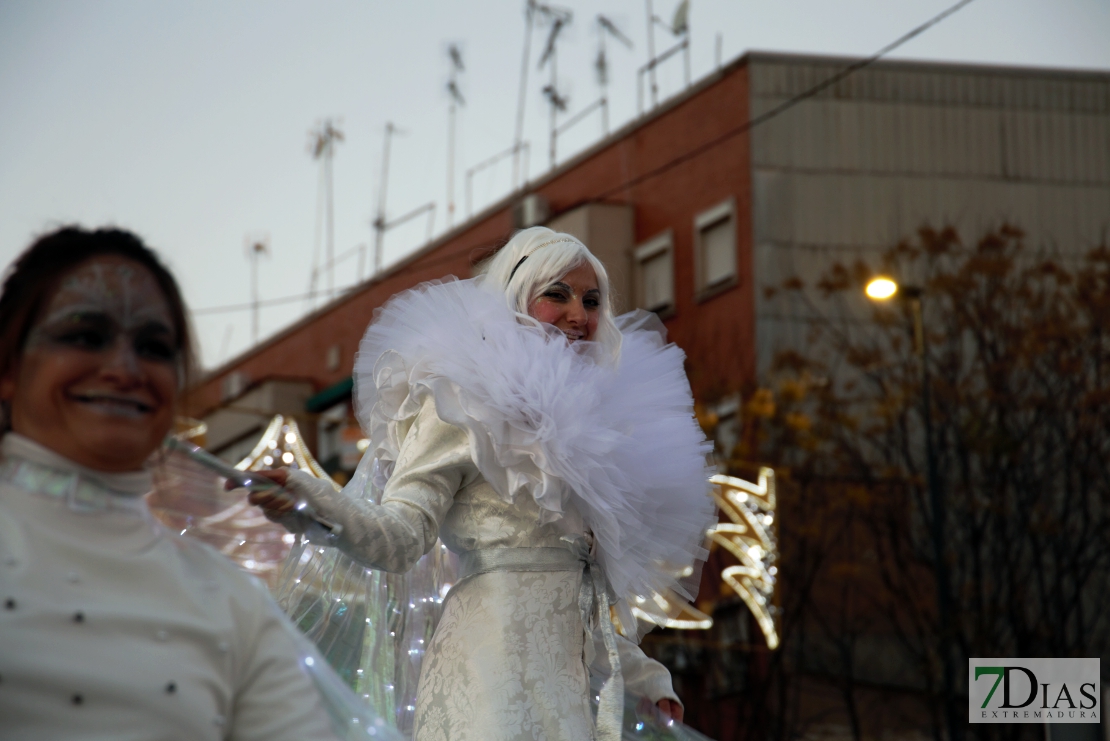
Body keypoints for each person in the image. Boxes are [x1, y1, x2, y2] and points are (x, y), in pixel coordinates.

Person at [252, 227, 716, 740]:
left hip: (568, 694)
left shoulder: (592, 447)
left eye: (591, 300)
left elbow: (579, 597)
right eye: (556, 295)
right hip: (488, 677)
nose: (579, 316)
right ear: (515, 299)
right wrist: (310, 499)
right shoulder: (461, 401)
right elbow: (400, 537)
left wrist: (646, 678)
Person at [0, 226, 381, 741]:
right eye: (86, 336)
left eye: (154, 347)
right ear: (8, 365)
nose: (125, 368)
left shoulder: (228, 601)